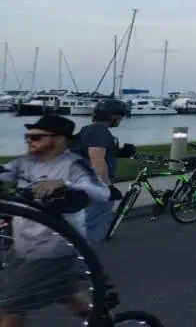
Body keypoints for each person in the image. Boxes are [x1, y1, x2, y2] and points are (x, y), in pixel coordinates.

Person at [0, 115, 113, 324]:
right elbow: (4, 173)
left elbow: (102, 193)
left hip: (54, 247)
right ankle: (104, 322)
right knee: (66, 293)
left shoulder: (74, 165)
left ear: (59, 139)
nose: (29, 141)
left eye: (36, 137)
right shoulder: (24, 163)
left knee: (10, 307)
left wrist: (65, 183)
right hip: (25, 246)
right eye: (28, 136)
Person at [74, 98, 128, 243]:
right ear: (114, 117)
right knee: (91, 227)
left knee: (84, 223)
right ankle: (82, 259)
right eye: (121, 116)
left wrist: (120, 152)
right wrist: (107, 187)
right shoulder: (99, 132)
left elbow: (90, 152)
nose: (121, 120)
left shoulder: (89, 129)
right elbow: (97, 160)